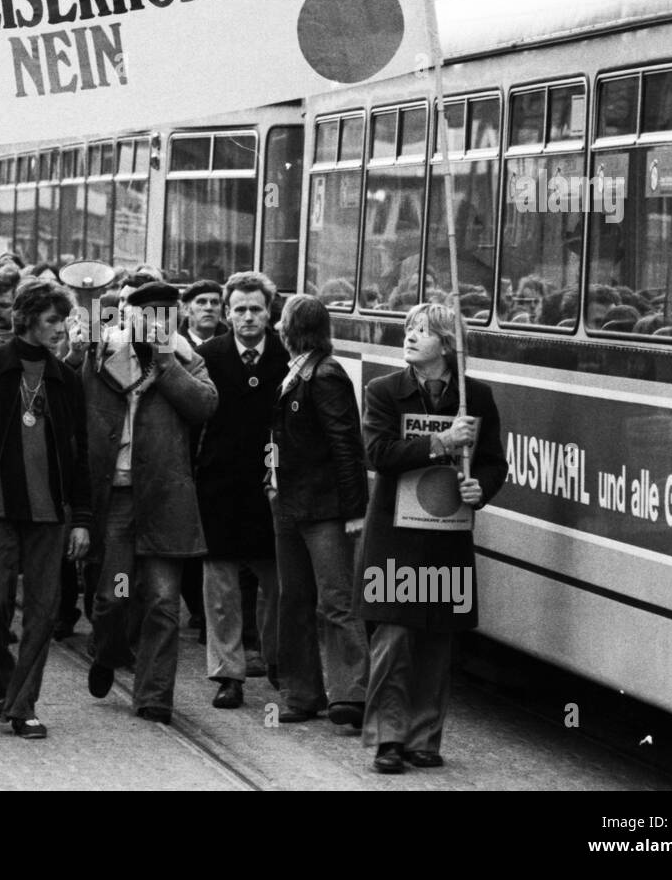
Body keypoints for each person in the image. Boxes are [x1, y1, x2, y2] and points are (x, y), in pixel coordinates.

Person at [357, 302, 506, 773]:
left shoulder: (475, 397)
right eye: (408, 329)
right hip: (395, 537)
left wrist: (479, 488)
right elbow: (378, 453)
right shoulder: (383, 392)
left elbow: (493, 461)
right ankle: (388, 738)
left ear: (447, 344)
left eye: (422, 331)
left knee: (437, 638)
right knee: (395, 635)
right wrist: (440, 443)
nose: (410, 336)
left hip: (447, 535)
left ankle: (423, 738)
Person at [0, 279, 91, 739]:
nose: (60, 329)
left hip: (49, 514)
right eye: (52, 321)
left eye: (64, 321)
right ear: (28, 320)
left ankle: (23, 705)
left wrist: (83, 519)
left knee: (43, 612)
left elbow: (80, 452)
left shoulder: (66, 379)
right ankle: (1, 683)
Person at [83, 281, 217, 723]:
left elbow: (204, 406)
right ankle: (108, 650)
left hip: (165, 498)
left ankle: (155, 695)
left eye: (167, 316)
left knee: (162, 601)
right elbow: (76, 379)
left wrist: (167, 365)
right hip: (118, 498)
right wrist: (91, 321)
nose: (158, 326)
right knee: (114, 594)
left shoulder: (185, 357)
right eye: (149, 317)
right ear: (132, 316)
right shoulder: (109, 351)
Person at [269, 294, 369, 726]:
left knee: (334, 600)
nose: (275, 328)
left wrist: (354, 510)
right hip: (292, 503)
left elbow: (347, 446)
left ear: (293, 329)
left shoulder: (323, 374)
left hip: (321, 507)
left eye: (281, 322)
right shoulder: (302, 371)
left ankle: (349, 693)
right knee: (295, 599)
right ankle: (303, 692)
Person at [194, 272, 287, 709]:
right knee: (222, 589)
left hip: (271, 486)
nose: (248, 317)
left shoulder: (287, 358)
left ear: (270, 312)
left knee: (277, 583)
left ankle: (277, 662)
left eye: (256, 309)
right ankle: (227, 674)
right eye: (239, 310)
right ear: (228, 314)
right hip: (220, 485)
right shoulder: (206, 355)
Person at [179, 279, 226, 348]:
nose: (209, 308)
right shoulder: (171, 345)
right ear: (186, 309)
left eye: (215, 302)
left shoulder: (235, 343)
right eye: (201, 302)